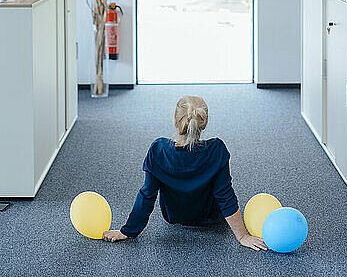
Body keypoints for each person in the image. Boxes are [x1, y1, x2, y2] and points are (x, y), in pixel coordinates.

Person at [103, 95, 267, 251]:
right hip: (212, 219)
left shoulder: (158, 150)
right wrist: (243, 236)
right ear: (204, 123)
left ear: (176, 120)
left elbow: (147, 195)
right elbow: (224, 194)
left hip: (175, 218)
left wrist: (127, 231)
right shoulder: (217, 150)